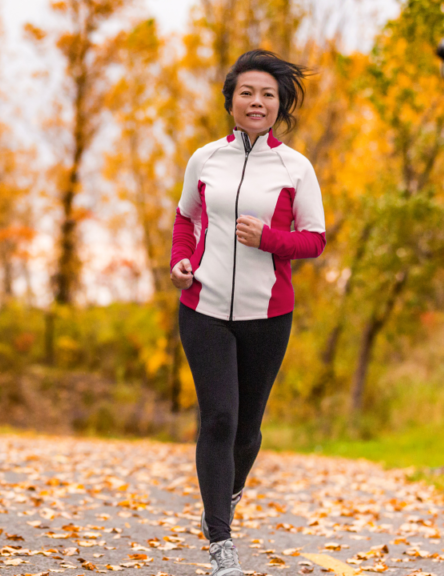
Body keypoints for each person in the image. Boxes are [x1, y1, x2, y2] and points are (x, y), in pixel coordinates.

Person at [169, 49, 326, 576]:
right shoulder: (205, 158)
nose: (256, 102)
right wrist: (180, 262)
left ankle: (229, 492)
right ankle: (220, 541)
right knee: (218, 417)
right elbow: (185, 218)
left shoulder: (295, 167)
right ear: (231, 101)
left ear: (279, 103)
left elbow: (314, 241)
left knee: (248, 430)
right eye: (246, 93)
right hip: (204, 306)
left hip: (268, 314)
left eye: (266, 94)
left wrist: (269, 239)